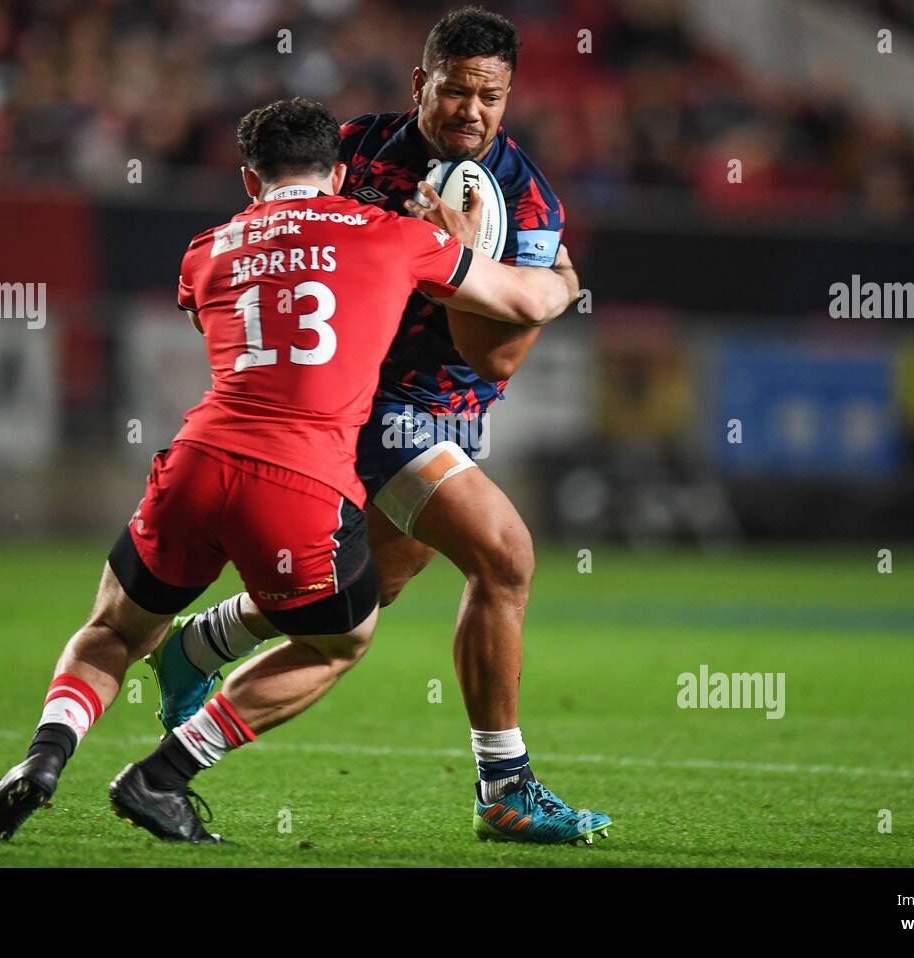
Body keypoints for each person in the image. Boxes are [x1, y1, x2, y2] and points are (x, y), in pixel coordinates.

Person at [0, 96, 579, 843]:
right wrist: (558, 274)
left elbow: (217, 316)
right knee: (338, 641)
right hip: (302, 484)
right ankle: (164, 774)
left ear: (249, 180)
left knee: (114, 629)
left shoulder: (205, 250)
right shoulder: (394, 235)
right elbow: (523, 300)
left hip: (195, 464)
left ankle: (43, 758)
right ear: (339, 174)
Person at [147, 6, 613, 844]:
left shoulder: (528, 200)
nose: (472, 110)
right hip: (365, 403)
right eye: (457, 90)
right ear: (422, 83)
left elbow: (493, 357)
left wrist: (458, 261)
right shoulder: (356, 150)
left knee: (368, 589)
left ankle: (198, 646)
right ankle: (504, 785)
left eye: (491, 96)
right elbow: (280, 238)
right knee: (505, 557)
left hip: (452, 411)